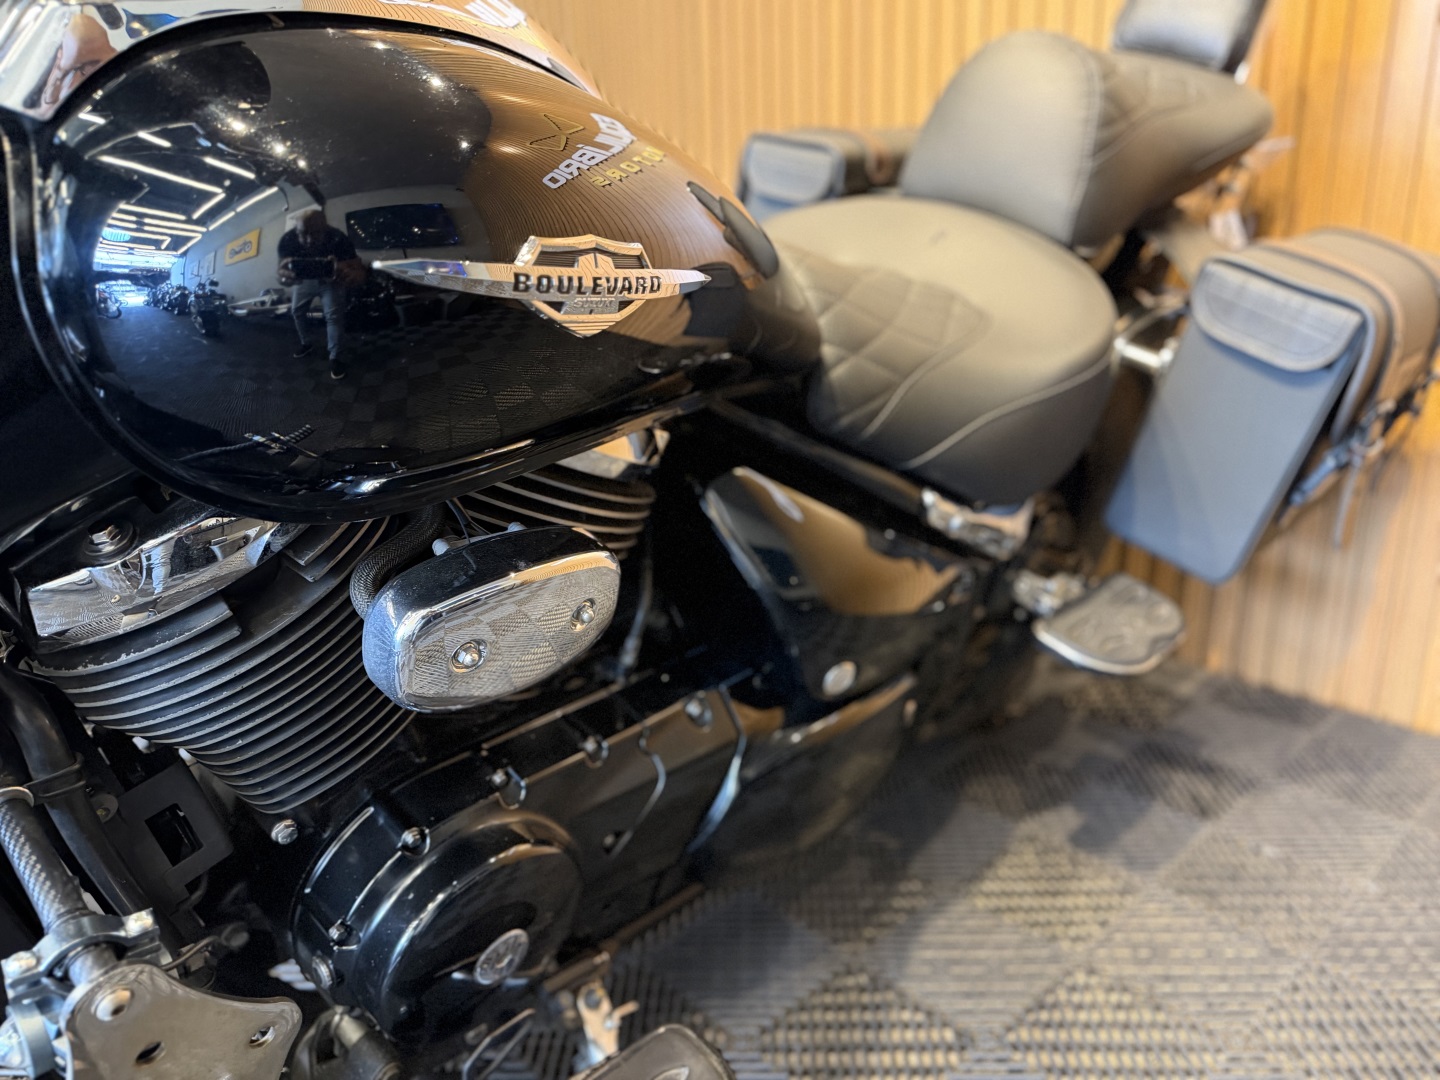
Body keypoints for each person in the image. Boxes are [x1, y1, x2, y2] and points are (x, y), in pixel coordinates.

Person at [277, 208, 364, 380]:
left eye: (315, 233)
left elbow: (357, 266)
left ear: (325, 227)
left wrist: (349, 272)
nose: (309, 240)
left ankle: (335, 357)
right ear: (296, 229)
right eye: (303, 234)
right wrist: (283, 277)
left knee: (333, 317)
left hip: (331, 281)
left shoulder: (338, 237)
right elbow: (280, 270)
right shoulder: (288, 239)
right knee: (297, 311)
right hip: (303, 282)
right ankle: (306, 343)